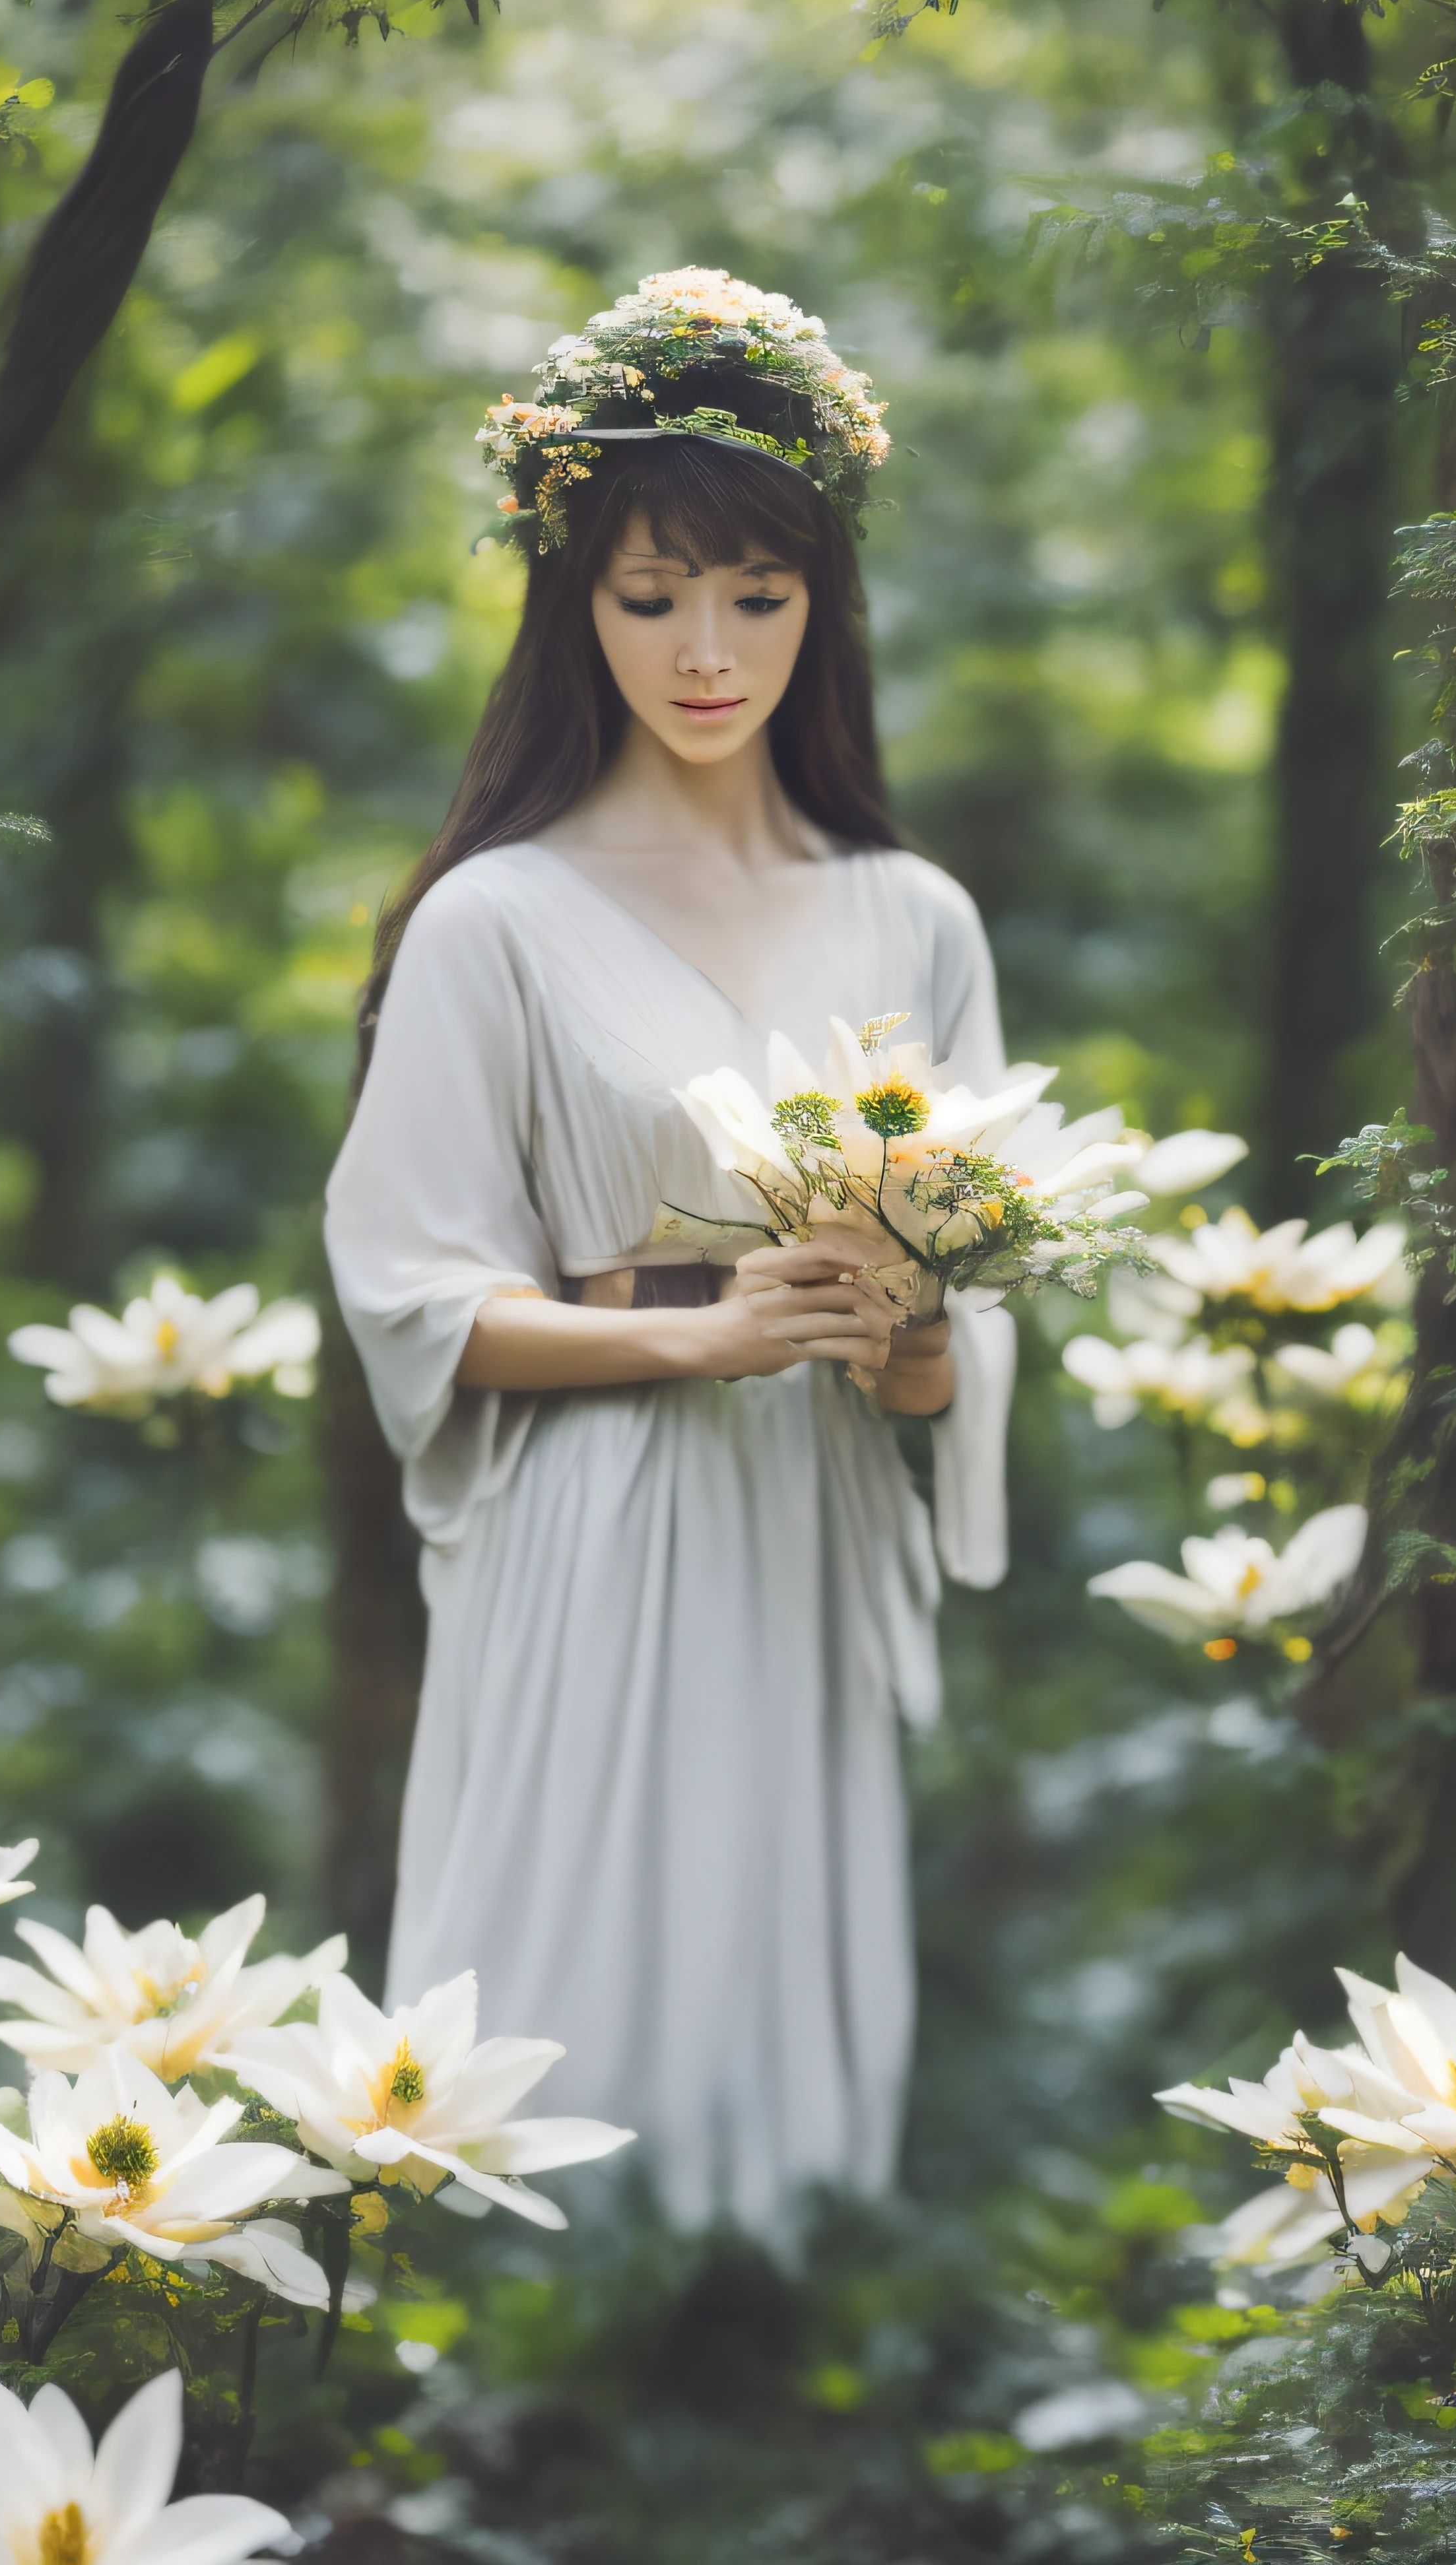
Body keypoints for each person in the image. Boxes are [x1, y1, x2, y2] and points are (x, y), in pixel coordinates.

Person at [324, 269, 1014, 2245]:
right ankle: (485, 2419)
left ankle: (751, 2414)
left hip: (803, 1518)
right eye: (651, 597)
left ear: (824, 599)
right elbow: (413, 1293)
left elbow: (951, 1356)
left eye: (756, 597)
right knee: (560, 1999)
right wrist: (702, 1344)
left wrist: (904, 1332)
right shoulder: (500, 921)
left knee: (772, 2019)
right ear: (574, 598)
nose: (706, 651)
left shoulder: (916, 918)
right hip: (597, 1518)